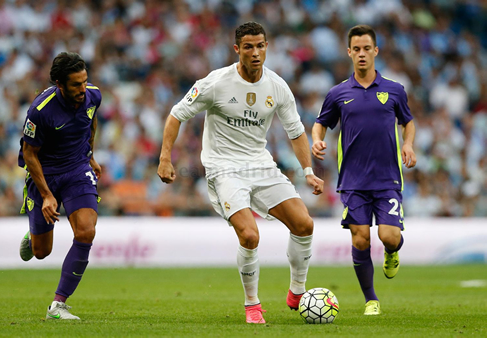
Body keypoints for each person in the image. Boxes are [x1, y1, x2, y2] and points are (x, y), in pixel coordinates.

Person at [157, 21, 324, 324]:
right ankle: (252, 304)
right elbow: (176, 115)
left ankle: (297, 291)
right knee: (249, 235)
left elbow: (296, 132)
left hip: (260, 164)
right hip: (224, 168)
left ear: (267, 47)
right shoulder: (216, 82)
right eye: (248, 46)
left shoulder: (277, 86)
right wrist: (165, 158)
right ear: (237, 49)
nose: (256, 52)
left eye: (260, 45)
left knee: (304, 224)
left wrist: (308, 170)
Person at [311, 24, 417, 315]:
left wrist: (408, 144)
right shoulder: (338, 93)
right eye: (356, 49)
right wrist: (317, 139)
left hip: (387, 179)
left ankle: (393, 253)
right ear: (348, 52)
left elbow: (408, 121)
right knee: (360, 238)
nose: (361, 54)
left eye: (366, 49)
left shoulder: (394, 91)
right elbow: (320, 122)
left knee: (389, 237)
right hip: (354, 180)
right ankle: (371, 299)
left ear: (375, 51)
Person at [18, 52, 102, 320]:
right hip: (47, 174)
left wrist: (90, 155)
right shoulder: (40, 111)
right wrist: (46, 195)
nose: (82, 89)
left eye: (85, 81)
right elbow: (29, 154)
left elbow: (90, 121)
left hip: (77, 169)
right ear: (59, 83)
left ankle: (58, 305)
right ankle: (34, 236)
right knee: (42, 253)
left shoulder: (93, 95)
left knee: (86, 232)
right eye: (76, 85)